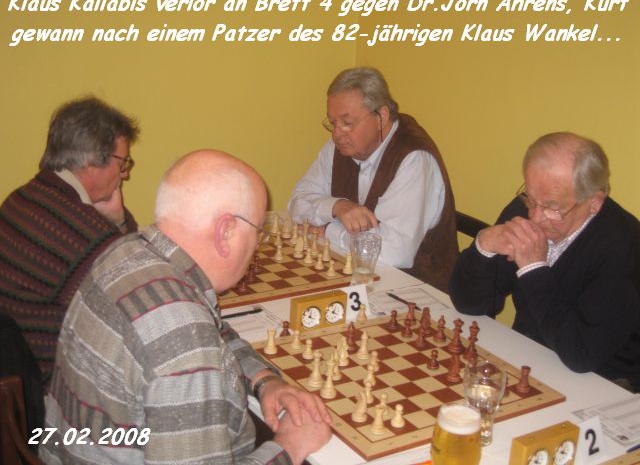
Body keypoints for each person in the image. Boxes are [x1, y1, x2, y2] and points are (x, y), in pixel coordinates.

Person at [41, 150, 332, 465]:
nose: (257, 244)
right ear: (226, 231)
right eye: (257, 230)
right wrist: (290, 447)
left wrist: (264, 381)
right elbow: (188, 342)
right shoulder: (184, 337)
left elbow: (212, 331)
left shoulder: (127, 253)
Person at [449, 132, 640, 390]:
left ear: (594, 202)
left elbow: (582, 355)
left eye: (552, 208)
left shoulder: (624, 246)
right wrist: (483, 247)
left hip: (606, 383)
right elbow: (470, 305)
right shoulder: (527, 209)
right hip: (532, 357)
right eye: (530, 198)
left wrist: (534, 269)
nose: (536, 217)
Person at [0, 96, 138, 388]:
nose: (125, 174)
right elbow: (139, 298)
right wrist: (114, 228)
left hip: (14, 378)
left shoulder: (22, 198)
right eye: (122, 162)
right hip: (55, 389)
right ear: (91, 162)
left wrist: (115, 221)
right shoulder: (86, 236)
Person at [289, 67, 457, 292]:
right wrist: (338, 206)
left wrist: (328, 229)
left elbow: (394, 252)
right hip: (354, 278)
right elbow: (297, 203)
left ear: (382, 116)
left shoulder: (414, 158)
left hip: (416, 292)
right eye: (332, 123)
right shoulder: (341, 146)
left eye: (347, 123)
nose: (337, 134)